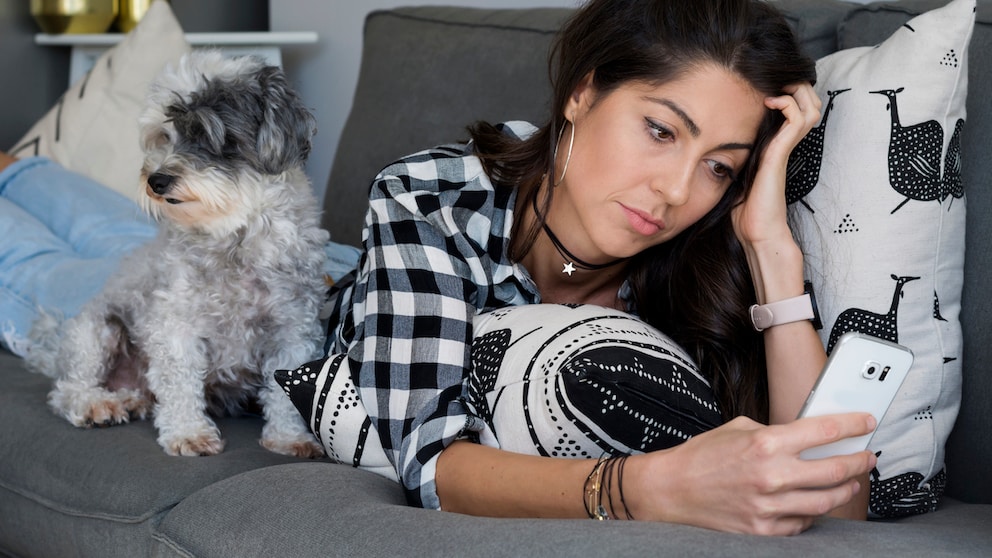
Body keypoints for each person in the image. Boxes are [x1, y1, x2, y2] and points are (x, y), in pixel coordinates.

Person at [301, 0, 877, 536]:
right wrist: (647, 488)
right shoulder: (430, 200)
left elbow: (839, 512)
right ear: (582, 93)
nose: (675, 191)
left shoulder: (708, 259)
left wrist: (771, 250)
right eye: (660, 131)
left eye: (719, 167)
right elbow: (429, 467)